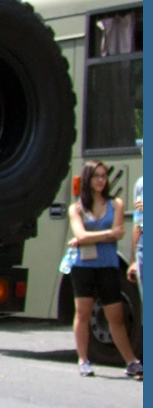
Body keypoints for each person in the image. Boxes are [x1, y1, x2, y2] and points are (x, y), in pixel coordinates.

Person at [68, 160, 142, 380]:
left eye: (103, 176)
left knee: (115, 316)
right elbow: (81, 235)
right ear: (88, 179)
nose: (101, 180)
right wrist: (106, 235)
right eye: (96, 176)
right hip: (83, 266)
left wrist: (88, 238)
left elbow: (119, 232)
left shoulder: (116, 203)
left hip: (108, 265)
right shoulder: (77, 207)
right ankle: (83, 360)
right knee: (83, 313)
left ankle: (131, 362)